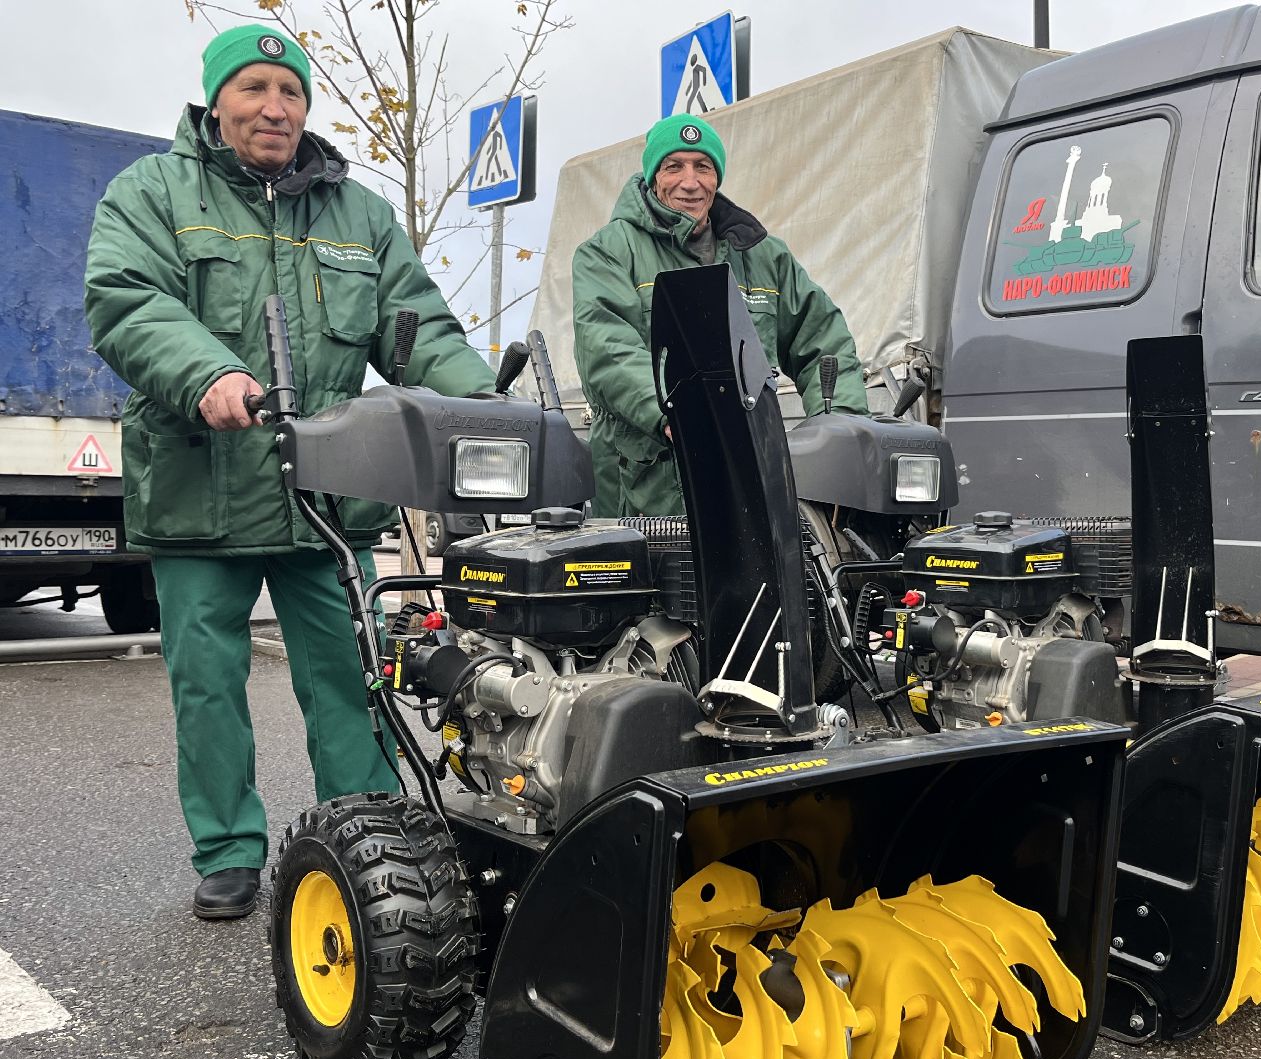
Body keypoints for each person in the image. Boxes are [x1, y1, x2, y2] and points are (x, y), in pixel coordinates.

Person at [84, 25, 494, 920]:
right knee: (207, 686)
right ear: (217, 100)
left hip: (328, 498)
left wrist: (486, 406)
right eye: (255, 88)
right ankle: (228, 849)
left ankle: (368, 839)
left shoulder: (360, 214)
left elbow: (417, 324)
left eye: (292, 92)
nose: (275, 108)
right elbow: (126, 301)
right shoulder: (152, 192)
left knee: (352, 675)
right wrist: (208, 372)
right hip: (200, 489)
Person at [572, 113, 868, 517]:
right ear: (654, 175)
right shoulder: (608, 252)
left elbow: (823, 342)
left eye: (703, 167)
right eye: (674, 166)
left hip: (752, 471)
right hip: (648, 485)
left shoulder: (764, 256)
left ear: (717, 178)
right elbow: (607, 349)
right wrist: (678, 413)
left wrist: (839, 432)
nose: (690, 182)